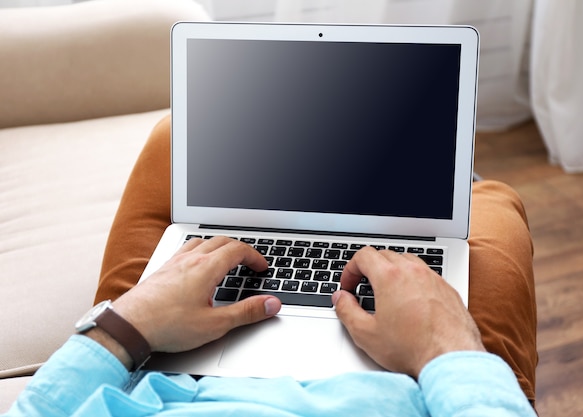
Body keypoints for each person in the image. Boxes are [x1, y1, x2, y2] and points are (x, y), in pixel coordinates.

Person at [4, 116, 538, 416]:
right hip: (414, 386)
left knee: (176, 137)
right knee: (487, 200)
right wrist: (449, 347)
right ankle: (456, 184)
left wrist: (128, 323)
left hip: (155, 377)